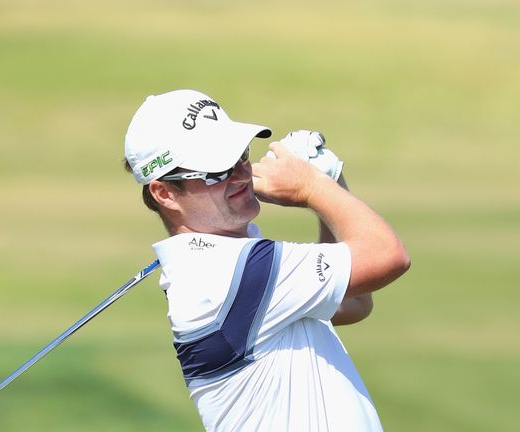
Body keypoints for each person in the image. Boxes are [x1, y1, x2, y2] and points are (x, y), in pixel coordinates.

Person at [123, 89, 410, 431]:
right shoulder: (228, 271)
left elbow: (353, 303)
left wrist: (327, 180)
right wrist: (312, 188)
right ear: (165, 193)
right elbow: (387, 256)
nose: (240, 175)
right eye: (216, 172)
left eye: (240, 157)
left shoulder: (219, 266)